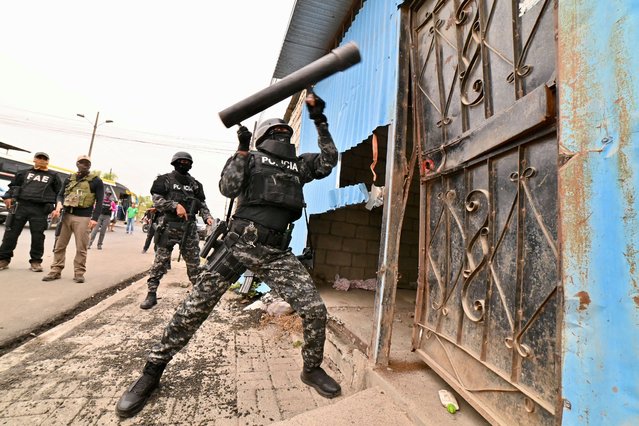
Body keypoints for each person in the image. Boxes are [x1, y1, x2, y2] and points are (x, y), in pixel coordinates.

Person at [116, 92, 340, 418]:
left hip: (276, 254)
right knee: (193, 310)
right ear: (264, 137)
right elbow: (228, 188)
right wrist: (242, 149)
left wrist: (320, 121)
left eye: (285, 133)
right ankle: (152, 371)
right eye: (276, 132)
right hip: (237, 247)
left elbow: (329, 161)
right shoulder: (249, 159)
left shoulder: (298, 166)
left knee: (315, 309)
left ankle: (311, 368)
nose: (282, 135)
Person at [138, 152, 214, 310]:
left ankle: (197, 298)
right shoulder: (164, 180)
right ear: (174, 163)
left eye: (187, 161)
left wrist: (208, 217)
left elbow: (202, 205)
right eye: (181, 161)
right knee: (159, 263)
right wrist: (174, 205)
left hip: (189, 228)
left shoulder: (195, 184)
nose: (184, 163)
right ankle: (151, 294)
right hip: (169, 226)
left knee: (194, 264)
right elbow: (157, 201)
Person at [42, 155, 104, 283]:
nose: (84, 165)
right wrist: (58, 207)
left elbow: (99, 201)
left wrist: (94, 219)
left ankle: (79, 273)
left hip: (83, 217)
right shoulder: (70, 179)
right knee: (59, 245)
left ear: (90, 165)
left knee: (81, 247)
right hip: (66, 216)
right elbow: (60, 195)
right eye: (81, 162)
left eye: (87, 163)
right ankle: (55, 270)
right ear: (77, 163)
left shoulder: (96, 181)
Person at [0, 152, 62, 272]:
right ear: (34, 159)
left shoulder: (53, 176)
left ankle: (35, 261)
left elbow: (59, 193)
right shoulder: (23, 173)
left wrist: (56, 208)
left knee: (38, 237)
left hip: (40, 209)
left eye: (44, 159)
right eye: (39, 158)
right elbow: (13, 186)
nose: (41, 160)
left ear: (48, 161)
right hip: (21, 206)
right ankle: (3, 259)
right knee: (10, 235)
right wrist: (7, 196)